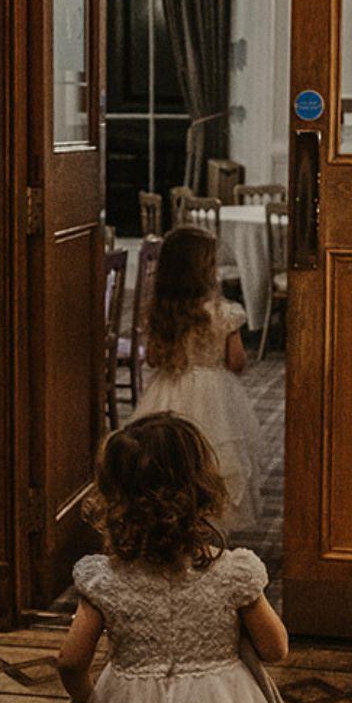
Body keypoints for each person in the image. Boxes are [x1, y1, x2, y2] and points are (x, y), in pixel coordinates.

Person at [55, 413, 324, 703]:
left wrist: (84, 700)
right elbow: (276, 647)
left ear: (115, 497)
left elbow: (70, 660)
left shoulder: (106, 580)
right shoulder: (233, 572)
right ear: (200, 488)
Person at [129, 226, 263, 533]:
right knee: (214, 457)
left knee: (166, 451)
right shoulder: (224, 312)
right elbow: (237, 362)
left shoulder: (162, 312)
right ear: (205, 271)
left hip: (169, 389)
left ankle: (171, 519)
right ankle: (210, 523)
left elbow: (151, 358)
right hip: (215, 394)